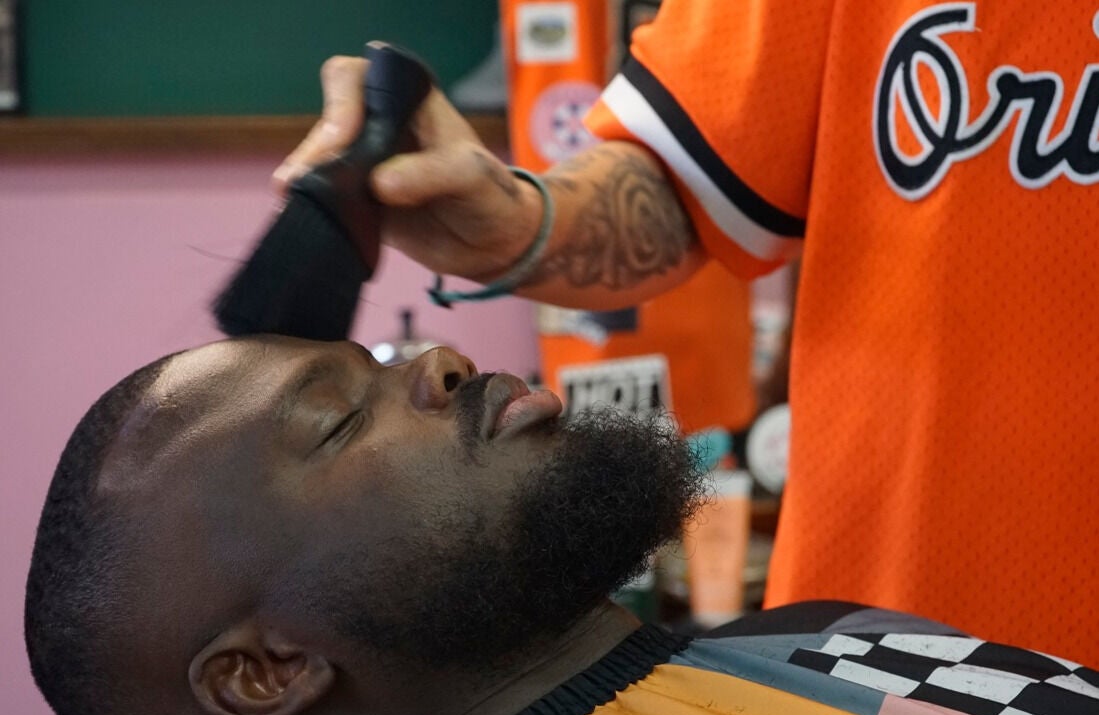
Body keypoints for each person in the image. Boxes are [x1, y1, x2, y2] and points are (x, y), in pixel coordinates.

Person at [274, 3, 1099, 666]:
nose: (447, 371)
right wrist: (521, 224)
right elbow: (683, 179)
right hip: (907, 659)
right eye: (334, 422)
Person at [25, 336, 1099, 715]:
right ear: (266, 671)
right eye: (339, 419)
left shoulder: (824, 637)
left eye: (388, 361)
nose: (441, 364)